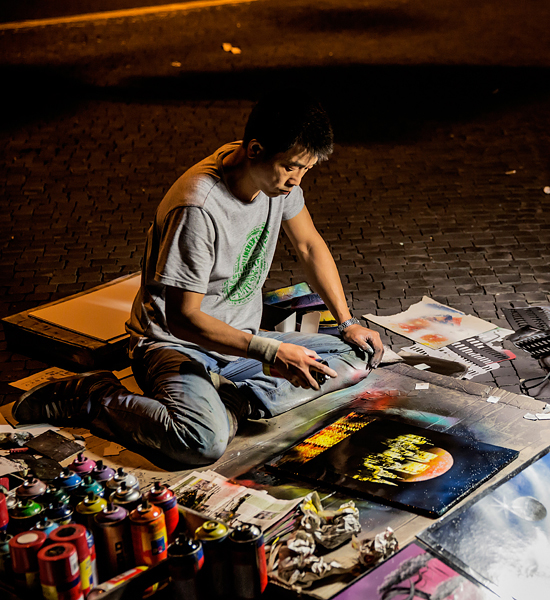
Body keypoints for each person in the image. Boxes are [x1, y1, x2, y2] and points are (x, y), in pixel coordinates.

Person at [14, 93, 384, 466]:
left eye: (306, 169)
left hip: (241, 346)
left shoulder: (273, 180)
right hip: (175, 346)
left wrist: (347, 321)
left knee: (356, 355)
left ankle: (234, 402)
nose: (297, 180)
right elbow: (183, 319)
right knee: (201, 441)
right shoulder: (198, 206)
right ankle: (92, 396)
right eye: (291, 167)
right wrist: (270, 353)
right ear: (255, 150)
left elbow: (308, 246)